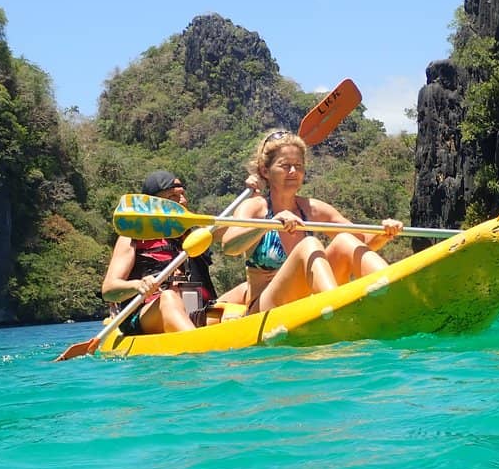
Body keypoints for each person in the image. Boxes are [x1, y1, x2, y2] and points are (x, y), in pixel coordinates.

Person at [219, 130, 403, 313]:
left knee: (344, 240)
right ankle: (339, 311)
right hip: (263, 309)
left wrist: (385, 233)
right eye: (285, 166)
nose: (293, 171)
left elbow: (362, 241)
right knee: (309, 245)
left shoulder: (312, 208)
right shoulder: (254, 207)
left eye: (298, 166)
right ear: (265, 170)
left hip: (308, 302)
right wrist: (270, 223)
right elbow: (229, 246)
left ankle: (397, 294)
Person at [101, 170, 217, 335]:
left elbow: (229, 236)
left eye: (183, 195)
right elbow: (109, 290)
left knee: (240, 295)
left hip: (194, 309)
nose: (183, 201)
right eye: (173, 197)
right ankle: (199, 348)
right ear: (154, 204)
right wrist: (137, 285)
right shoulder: (132, 237)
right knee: (168, 298)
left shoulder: (194, 237)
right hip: (147, 314)